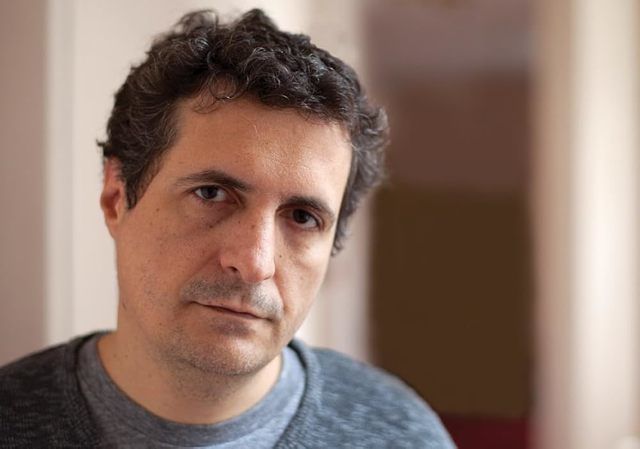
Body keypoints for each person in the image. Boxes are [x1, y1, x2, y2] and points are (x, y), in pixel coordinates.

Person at [0, 9, 455, 449]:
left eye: (302, 217)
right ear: (116, 197)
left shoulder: (402, 436)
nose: (255, 263)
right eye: (212, 194)